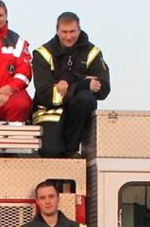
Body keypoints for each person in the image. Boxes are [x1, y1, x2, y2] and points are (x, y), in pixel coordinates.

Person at [31, 12, 111, 157]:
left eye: (72, 31)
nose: (68, 36)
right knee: (51, 151)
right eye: (64, 32)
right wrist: (83, 83)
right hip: (49, 112)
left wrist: (68, 85)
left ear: (79, 30)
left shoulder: (92, 53)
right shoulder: (42, 54)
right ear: (57, 31)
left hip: (76, 113)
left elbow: (103, 88)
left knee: (86, 98)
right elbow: (46, 95)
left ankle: (71, 150)